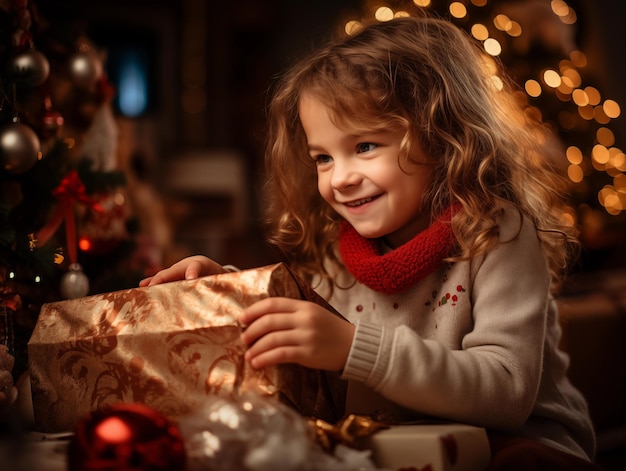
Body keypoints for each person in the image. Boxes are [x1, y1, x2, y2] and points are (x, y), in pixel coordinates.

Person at [141, 15, 600, 470]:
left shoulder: (497, 234)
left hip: (519, 446)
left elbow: (505, 392)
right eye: (322, 157)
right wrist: (224, 294)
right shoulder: (335, 249)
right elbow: (303, 337)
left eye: (364, 146)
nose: (340, 179)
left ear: (442, 136)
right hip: (402, 446)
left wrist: (352, 348)